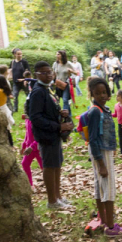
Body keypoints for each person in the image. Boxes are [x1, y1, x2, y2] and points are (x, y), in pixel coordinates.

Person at [27, 61, 74, 209]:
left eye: (50, 72)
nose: (48, 75)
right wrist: (58, 126)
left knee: (57, 164)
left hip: (54, 134)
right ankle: (52, 200)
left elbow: (48, 109)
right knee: (49, 166)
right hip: (46, 135)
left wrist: (60, 113)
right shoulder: (37, 92)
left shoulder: (48, 89)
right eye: (44, 73)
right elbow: (35, 117)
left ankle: (58, 196)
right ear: (37, 75)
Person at [84, 78, 122, 236]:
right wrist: (101, 163)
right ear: (92, 94)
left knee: (100, 186)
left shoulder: (104, 109)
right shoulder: (96, 111)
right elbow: (93, 138)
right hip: (100, 152)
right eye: (97, 93)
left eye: (104, 92)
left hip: (103, 151)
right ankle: (110, 227)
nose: (101, 95)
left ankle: (103, 219)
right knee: (108, 188)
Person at [20, 110, 42, 189]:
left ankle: (51, 184)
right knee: (25, 163)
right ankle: (30, 185)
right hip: (29, 148)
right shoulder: (27, 120)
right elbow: (27, 134)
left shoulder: (37, 120)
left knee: (44, 166)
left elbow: (40, 136)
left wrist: (32, 146)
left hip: (38, 148)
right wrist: (24, 145)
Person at [0, 75, 15, 146]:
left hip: (2, 110)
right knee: (6, 129)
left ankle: (11, 144)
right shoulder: (1, 91)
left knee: (6, 130)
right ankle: (10, 144)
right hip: (3, 109)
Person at [9, 48, 29, 113]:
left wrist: (25, 79)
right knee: (15, 95)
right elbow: (10, 71)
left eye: (21, 54)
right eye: (18, 54)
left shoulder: (24, 62)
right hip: (16, 82)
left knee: (28, 95)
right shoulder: (12, 62)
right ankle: (15, 109)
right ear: (15, 54)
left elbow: (28, 72)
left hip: (24, 82)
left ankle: (29, 106)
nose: (20, 55)